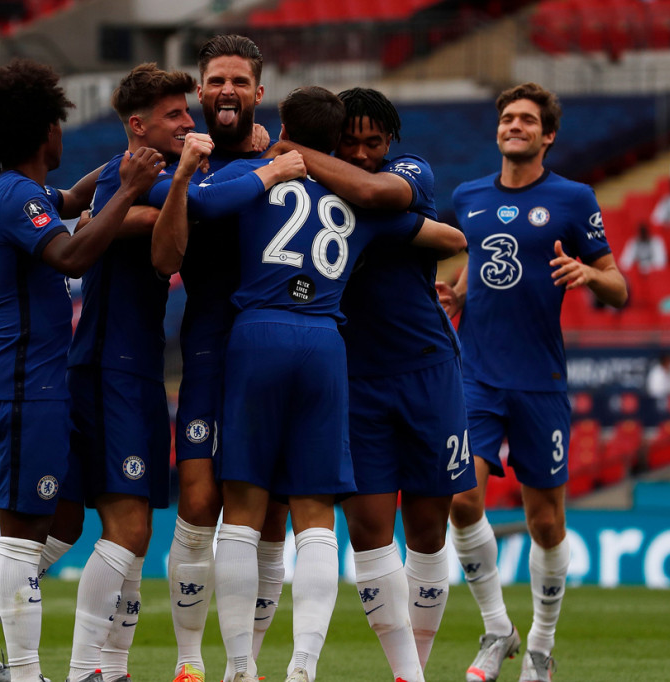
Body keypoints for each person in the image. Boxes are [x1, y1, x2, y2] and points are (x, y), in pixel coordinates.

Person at [163, 86, 465, 682]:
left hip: (256, 335)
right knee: (316, 515)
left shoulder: (254, 176)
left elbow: (198, 203)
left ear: (284, 127)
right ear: (335, 140)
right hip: (327, 343)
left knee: (244, 511)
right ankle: (303, 665)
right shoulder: (359, 203)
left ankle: (239, 667)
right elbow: (447, 237)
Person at [0, 59, 164, 682]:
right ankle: (25, 673)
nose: (63, 134)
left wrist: (126, 162)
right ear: (43, 132)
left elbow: (73, 201)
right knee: (24, 538)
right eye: (58, 123)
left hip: (30, 379)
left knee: (58, 522)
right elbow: (73, 255)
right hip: (22, 381)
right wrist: (131, 190)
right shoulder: (14, 196)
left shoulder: (12, 191)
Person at [268, 86, 476, 679]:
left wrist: (291, 153)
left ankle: (418, 664)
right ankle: (409, 674)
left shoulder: (411, 172)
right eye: (349, 142)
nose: (361, 153)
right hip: (354, 378)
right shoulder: (308, 192)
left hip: (428, 370)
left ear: (392, 142)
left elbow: (373, 193)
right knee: (368, 533)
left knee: (429, 531)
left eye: (373, 142)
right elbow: (433, 231)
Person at [438, 82, 628, 682]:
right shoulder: (468, 196)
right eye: (507, 118)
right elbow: (480, 259)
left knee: (545, 521)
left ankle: (541, 647)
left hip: (539, 381)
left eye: (526, 119)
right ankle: (498, 629)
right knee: (460, 499)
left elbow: (619, 285)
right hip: (476, 376)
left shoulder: (572, 198)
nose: (514, 125)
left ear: (548, 136)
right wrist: (458, 294)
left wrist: (588, 275)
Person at [147, 34, 297, 682]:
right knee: (198, 501)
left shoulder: (288, 155)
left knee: (270, 514)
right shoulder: (183, 163)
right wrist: (263, 168)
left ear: (259, 92)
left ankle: (246, 664)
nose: (227, 90)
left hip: (277, 352)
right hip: (209, 347)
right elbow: (180, 239)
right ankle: (188, 661)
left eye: (239, 80)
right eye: (216, 81)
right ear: (201, 90)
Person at [62, 62, 197, 682]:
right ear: (139, 126)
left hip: (136, 370)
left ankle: (112, 668)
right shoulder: (130, 184)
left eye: (187, 111)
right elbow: (169, 236)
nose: (188, 121)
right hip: (107, 367)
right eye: (174, 115)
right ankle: (82, 669)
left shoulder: (134, 177)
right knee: (127, 526)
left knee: (134, 534)